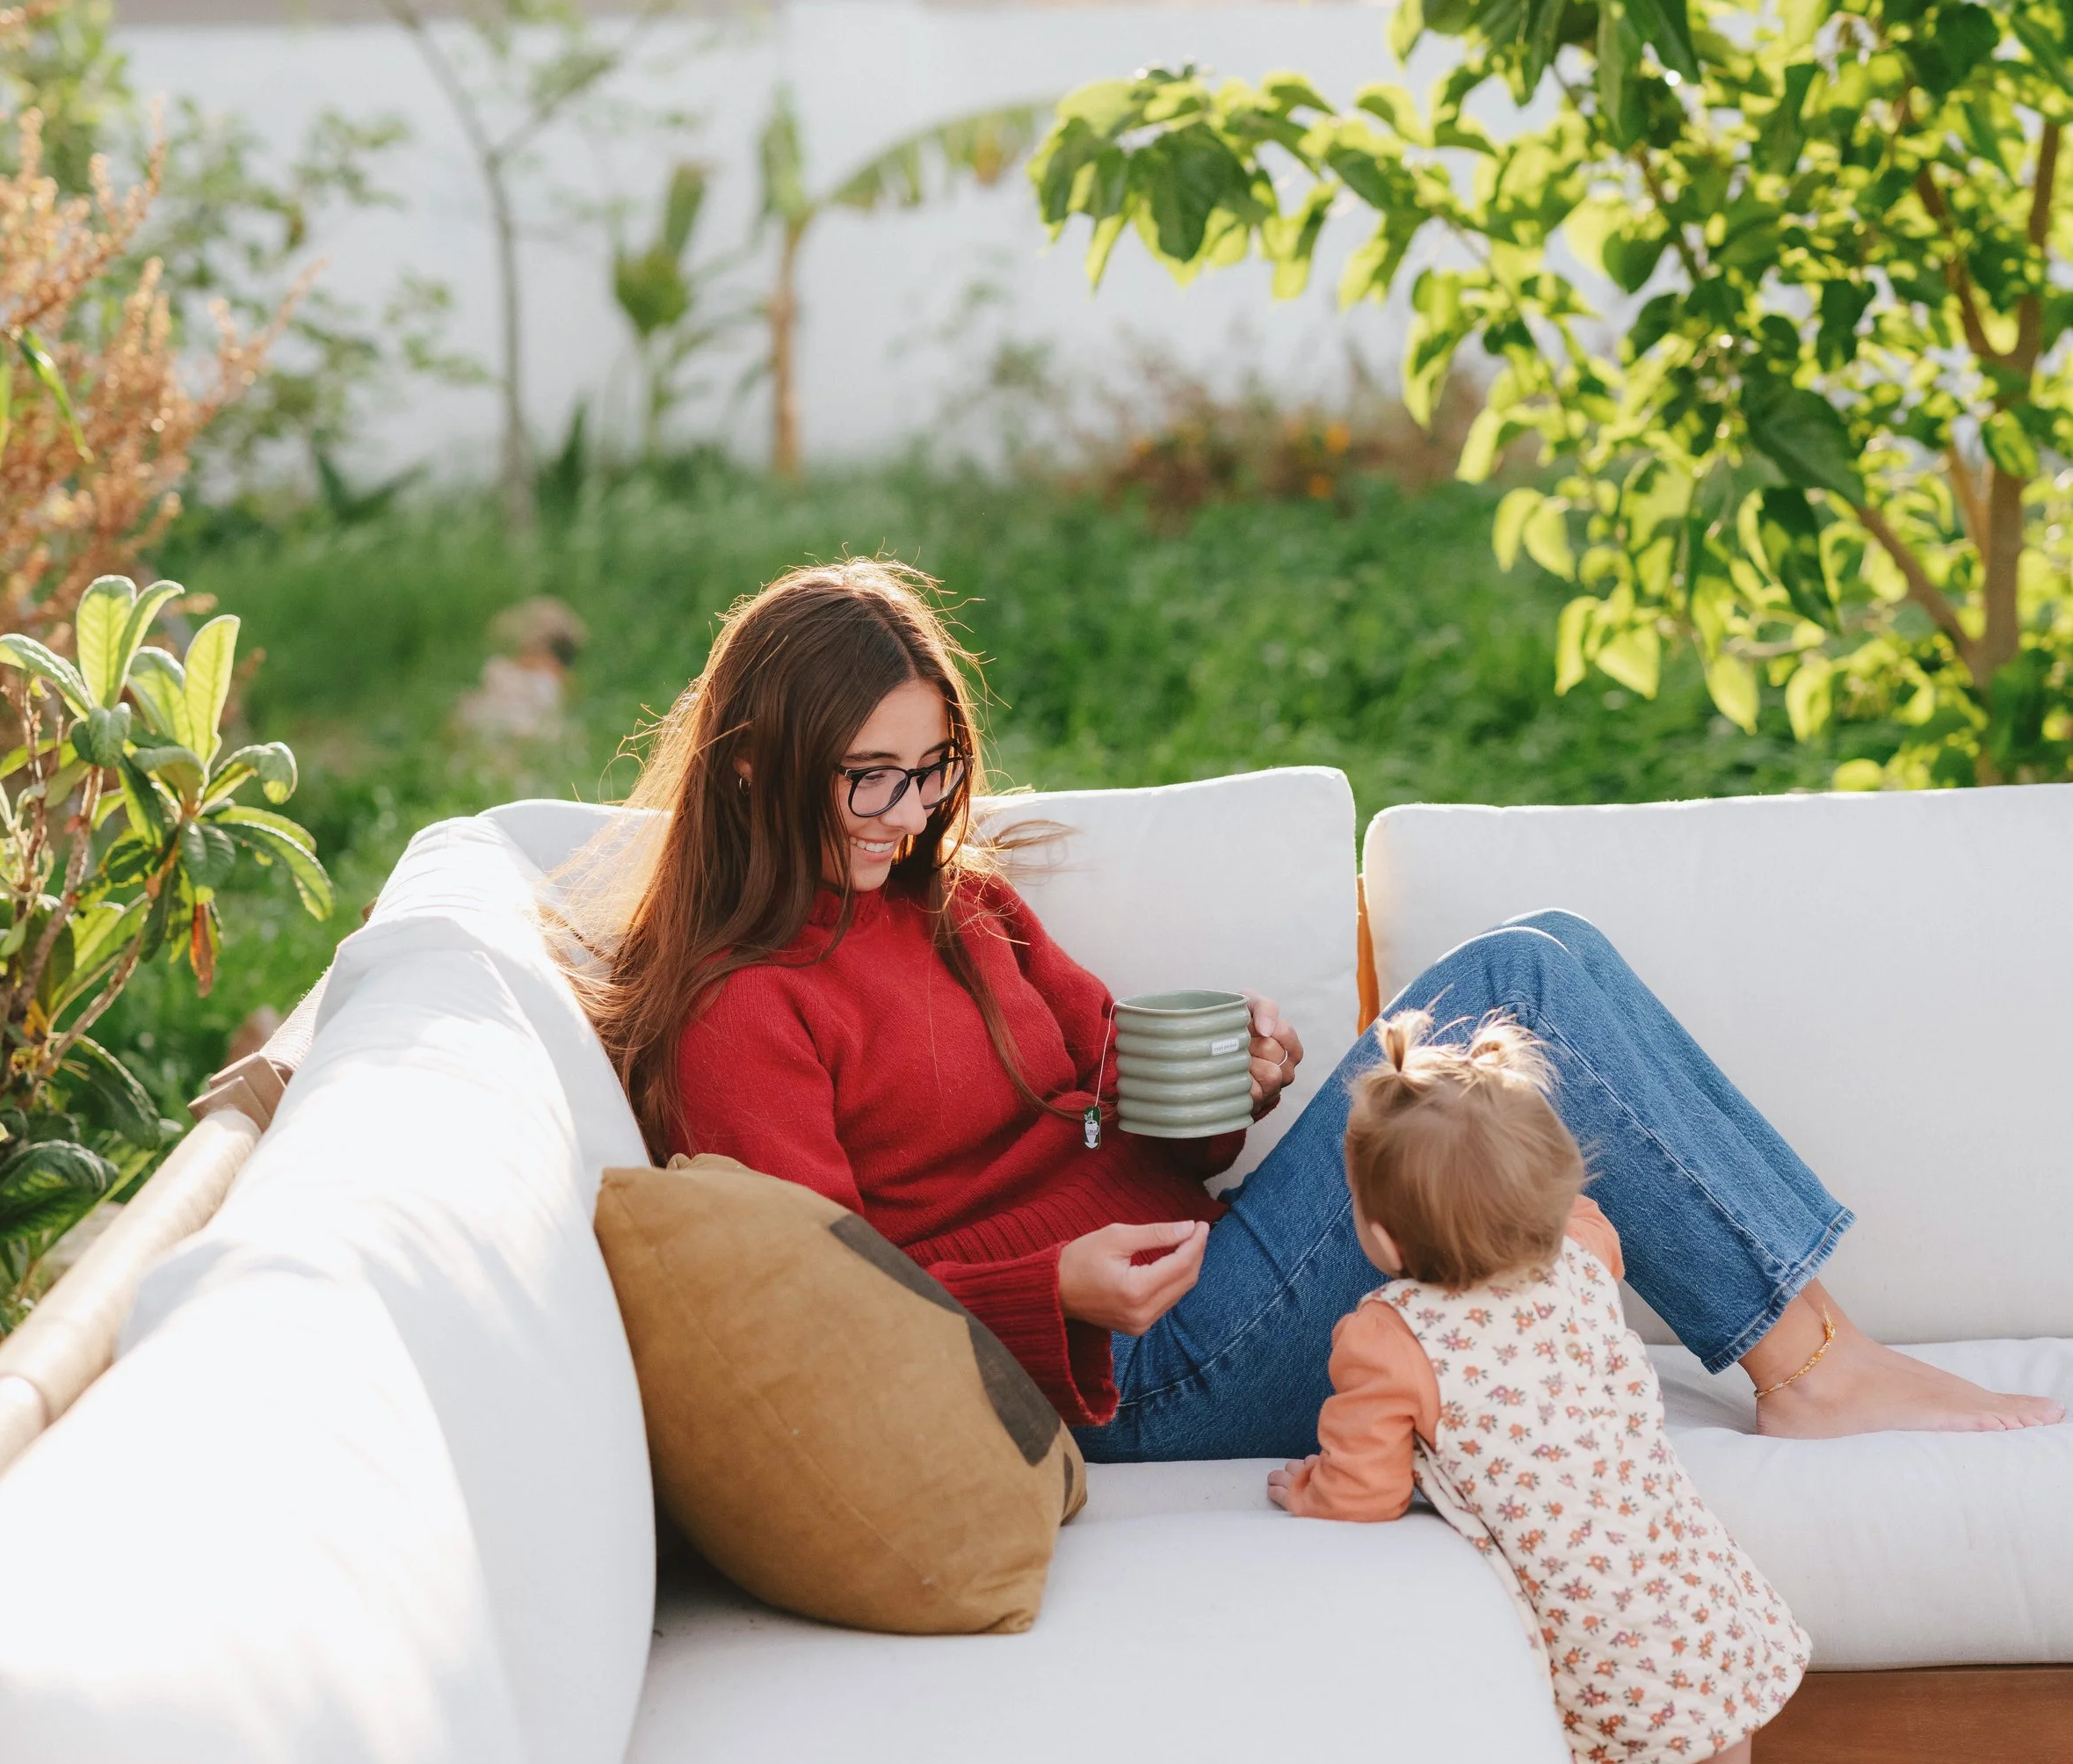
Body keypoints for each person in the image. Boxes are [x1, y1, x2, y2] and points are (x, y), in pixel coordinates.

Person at [563, 555, 2061, 1458]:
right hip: (1119, 1376)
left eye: (936, 763)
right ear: (754, 764)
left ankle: (1820, 1346)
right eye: (871, 776)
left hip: (1202, 1273)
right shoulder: (744, 1012)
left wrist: (1240, 1089)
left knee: (1550, 950)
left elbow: (1118, 1104)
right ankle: (1812, 1370)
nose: (912, 808)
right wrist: (1056, 1293)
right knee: (1515, 986)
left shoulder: (959, 902)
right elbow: (817, 1308)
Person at [1271, 1009, 1806, 1764]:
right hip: (1693, 1605)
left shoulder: (1389, 1338)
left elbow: (1365, 1493)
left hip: (1587, 1652)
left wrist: (1307, 1487)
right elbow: (1572, 1216)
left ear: (1379, 1238)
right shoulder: (1587, 1252)